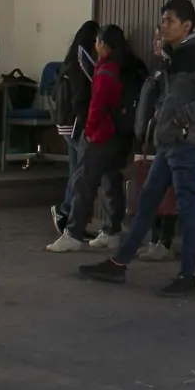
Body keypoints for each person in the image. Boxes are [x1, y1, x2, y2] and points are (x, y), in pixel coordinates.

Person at [80, 0, 195, 297]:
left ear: (187, 26)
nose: (163, 25)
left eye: (169, 21)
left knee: (186, 208)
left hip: (186, 144)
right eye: (163, 19)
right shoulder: (175, 56)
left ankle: (188, 277)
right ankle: (119, 263)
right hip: (168, 142)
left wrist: (182, 117)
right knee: (147, 202)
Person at [49, 25, 147, 252]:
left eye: (98, 43)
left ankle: (73, 233)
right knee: (111, 180)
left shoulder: (106, 69)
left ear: (102, 44)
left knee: (84, 182)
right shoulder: (131, 66)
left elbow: (97, 105)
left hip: (102, 135)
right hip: (123, 134)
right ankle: (112, 230)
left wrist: (90, 133)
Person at [52, 20, 103, 237]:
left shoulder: (70, 62)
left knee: (76, 172)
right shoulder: (82, 65)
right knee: (82, 174)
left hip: (65, 124)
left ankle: (66, 212)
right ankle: (67, 213)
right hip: (76, 125)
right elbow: (81, 100)